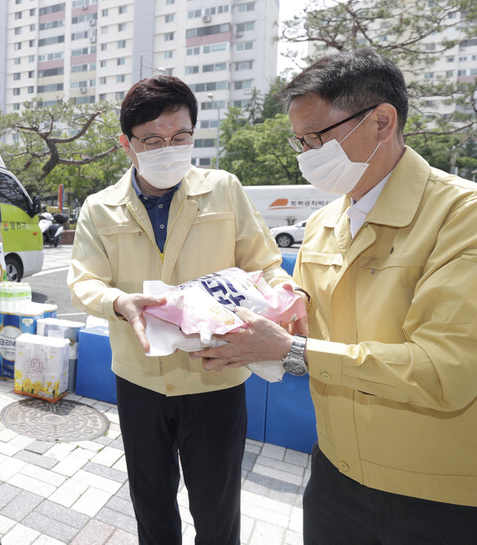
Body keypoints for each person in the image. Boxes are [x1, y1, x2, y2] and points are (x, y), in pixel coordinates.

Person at [195, 49, 477, 544]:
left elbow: (444, 370)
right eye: (300, 141)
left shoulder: (461, 218)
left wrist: (292, 351)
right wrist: (270, 311)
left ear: (382, 122)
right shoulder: (325, 223)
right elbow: (306, 317)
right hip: (334, 472)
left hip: (436, 493)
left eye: (318, 138)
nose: (306, 154)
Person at [67, 76, 302, 545]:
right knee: (151, 505)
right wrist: (119, 301)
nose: (168, 149)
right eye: (152, 140)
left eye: (180, 138)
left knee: (217, 511)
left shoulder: (224, 189)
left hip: (216, 376)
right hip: (139, 379)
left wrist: (287, 296)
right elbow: (83, 280)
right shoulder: (99, 207)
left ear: (194, 134)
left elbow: (264, 263)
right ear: (126, 144)